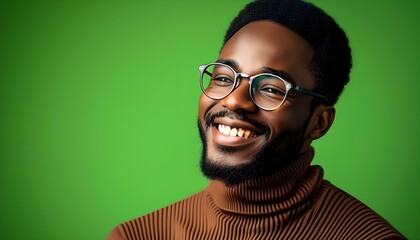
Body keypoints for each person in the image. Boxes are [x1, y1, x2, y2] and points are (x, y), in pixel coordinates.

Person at [107, 0, 406, 239]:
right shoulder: (136, 235)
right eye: (224, 77)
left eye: (271, 88)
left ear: (319, 123)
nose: (234, 99)